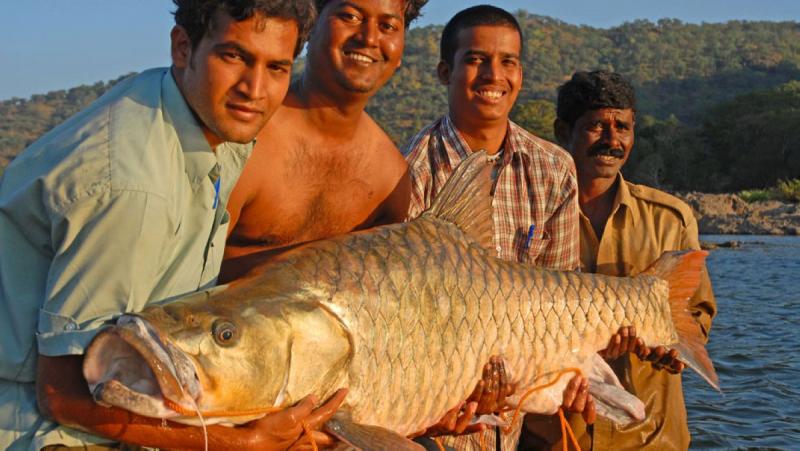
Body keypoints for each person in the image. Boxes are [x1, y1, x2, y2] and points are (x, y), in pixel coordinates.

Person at [0, 1, 347, 450]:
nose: (254, 89)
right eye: (234, 56)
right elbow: (60, 394)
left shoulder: (205, 120)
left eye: (276, 67)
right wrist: (241, 444)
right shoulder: (133, 188)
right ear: (183, 48)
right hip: (41, 430)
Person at [403, 6, 595, 450]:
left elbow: (562, 292)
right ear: (445, 72)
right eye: (476, 60)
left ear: (520, 75)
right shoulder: (410, 171)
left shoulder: (553, 168)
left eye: (507, 61)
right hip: (435, 421)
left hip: (512, 422)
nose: (494, 75)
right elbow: (408, 316)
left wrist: (575, 371)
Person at [520, 70, 717, 450]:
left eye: (622, 127)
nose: (612, 141)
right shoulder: (530, 215)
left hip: (651, 437)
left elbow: (696, 317)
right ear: (563, 131)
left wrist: (667, 348)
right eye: (596, 126)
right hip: (557, 435)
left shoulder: (670, 219)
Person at [220, 0, 428, 281]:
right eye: (350, 16)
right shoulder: (243, 137)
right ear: (311, 26)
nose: (369, 38)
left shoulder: (391, 180)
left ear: (401, 48)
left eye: (387, 26)